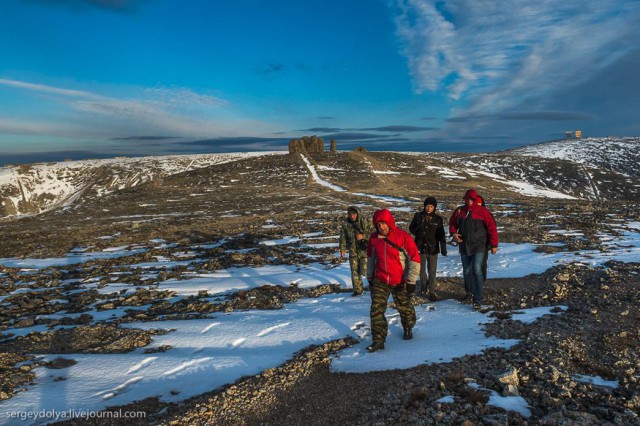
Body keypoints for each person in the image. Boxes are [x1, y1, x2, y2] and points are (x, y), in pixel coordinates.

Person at [366, 208, 421, 352]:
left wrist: (411, 281)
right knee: (376, 310)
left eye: (383, 223)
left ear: (389, 222)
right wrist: (370, 277)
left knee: (404, 307)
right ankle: (378, 340)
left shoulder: (402, 237)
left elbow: (414, 258)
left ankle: (408, 327)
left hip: (400, 280)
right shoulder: (373, 239)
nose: (381, 227)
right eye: (378, 225)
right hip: (381, 279)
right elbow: (371, 259)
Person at [448, 189, 498, 309]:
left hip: (479, 245)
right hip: (464, 245)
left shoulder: (483, 212)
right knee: (466, 270)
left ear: (475, 200)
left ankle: (478, 299)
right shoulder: (460, 211)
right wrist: (454, 233)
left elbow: (492, 228)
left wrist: (494, 244)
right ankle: (469, 292)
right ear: (465, 199)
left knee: (476, 270)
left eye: (472, 199)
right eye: (467, 199)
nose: (469, 201)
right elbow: (452, 224)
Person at [409, 196, 447, 301]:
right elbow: (411, 227)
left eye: (431, 206)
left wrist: (443, 248)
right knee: (420, 269)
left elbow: (441, 234)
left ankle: (432, 292)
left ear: (434, 207)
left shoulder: (438, 219)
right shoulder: (418, 216)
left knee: (432, 270)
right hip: (419, 247)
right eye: (427, 206)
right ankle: (424, 285)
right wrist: (418, 233)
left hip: (433, 248)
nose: (428, 208)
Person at [339, 206, 373, 296]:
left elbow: (373, 234)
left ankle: (375, 287)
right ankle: (358, 291)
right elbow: (343, 237)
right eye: (350, 214)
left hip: (364, 251)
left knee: (365, 271)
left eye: (354, 214)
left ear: (358, 214)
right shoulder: (345, 223)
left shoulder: (365, 222)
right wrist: (342, 248)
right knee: (354, 272)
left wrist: (363, 236)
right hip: (353, 251)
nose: (352, 216)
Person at [476, 196, 493, 283]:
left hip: (484, 243)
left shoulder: (487, 214)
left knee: (482, 262)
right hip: (472, 244)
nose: (478, 204)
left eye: (479, 203)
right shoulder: (470, 214)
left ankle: (482, 279)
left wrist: (492, 244)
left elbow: (492, 229)